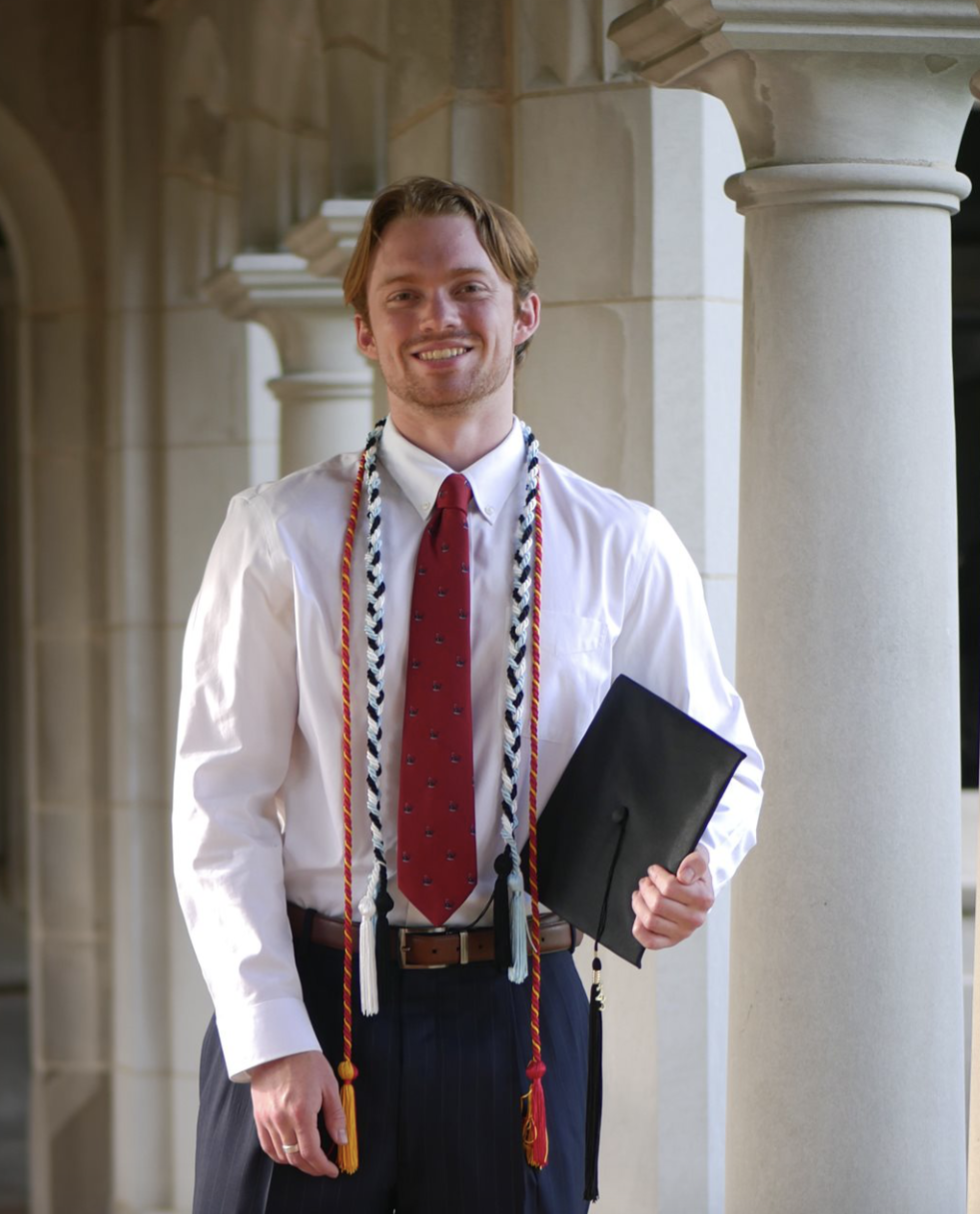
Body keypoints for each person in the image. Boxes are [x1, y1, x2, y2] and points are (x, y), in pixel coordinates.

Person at [173, 176, 764, 1213]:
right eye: (401, 294)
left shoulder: (620, 541)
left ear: (522, 312)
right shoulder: (276, 534)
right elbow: (217, 802)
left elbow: (723, 758)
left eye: (466, 287)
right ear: (361, 328)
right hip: (317, 1001)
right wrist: (268, 1038)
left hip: (519, 1012)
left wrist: (694, 865)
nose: (435, 316)